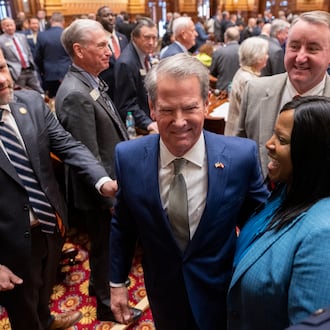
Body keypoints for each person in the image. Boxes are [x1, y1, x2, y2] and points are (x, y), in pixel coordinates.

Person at [109, 53, 269, 330]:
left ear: (206, 104)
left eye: (190, 108)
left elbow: (260, 224)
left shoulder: (240, 156)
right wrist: (117, 283)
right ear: (152, 107)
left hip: (223, 289)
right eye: (168, 110)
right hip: (163, 291)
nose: (179, 121)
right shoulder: (128, 157)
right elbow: (123, 225)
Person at [0, 47, 118, 330]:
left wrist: (101, 181)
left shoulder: (30, 102)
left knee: (43, 289)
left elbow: (68, 145)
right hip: (7, 243)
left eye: (2, 68)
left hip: (51, 224)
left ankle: (47, 319)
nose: (2, 80)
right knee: (22, 308)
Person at [55, 19, 142, 324]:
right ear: (79, 51)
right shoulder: (76, 92)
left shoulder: (89, 81)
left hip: (105, 186)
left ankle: (98, 289)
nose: (110, 51)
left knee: (105, 249)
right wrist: (110, 201)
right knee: (107, 249)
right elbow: (86, 154)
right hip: (97, 194)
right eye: (102, 45)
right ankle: (107, 305)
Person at [228, 95, 330, 330]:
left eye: (282, 139)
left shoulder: (323, 235)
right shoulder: (285, 191)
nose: (269, 144)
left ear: (310, 154)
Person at [237, 11, 330, 178]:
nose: (300, 58)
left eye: (312, 49)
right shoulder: (254, 91)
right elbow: (235, 153)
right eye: (294, 46)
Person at [114, 17, 158, 133]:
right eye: (147, 38)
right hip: (139, 126)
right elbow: (125, 104)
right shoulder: (126, 63)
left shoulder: (144, 54)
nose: (151, 42)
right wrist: (147, 123)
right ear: (134, 37)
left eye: (154, 38)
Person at [225, 37, 268, 136]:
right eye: (265, 54)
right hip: (241, 136)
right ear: (258, 57)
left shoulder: (243, 72)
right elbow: (255, 116)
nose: (267, 56)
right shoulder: (249, 81)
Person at [0, 18, 43, 94]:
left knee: (39, 91)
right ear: (2, 27)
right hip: (17, 73)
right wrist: (10, 71)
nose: (10, 27)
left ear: (15, 26)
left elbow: (28, 51)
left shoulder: (22, 36)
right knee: (21, 94)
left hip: (30, 70)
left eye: (11, 25)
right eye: (7, 25)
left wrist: (32, 64)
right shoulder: (1, 40)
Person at [35, 12, 71, 99]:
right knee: (69, 97)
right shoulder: (68, 34)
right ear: (63, 21)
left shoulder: (41, 35)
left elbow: (37, 57)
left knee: (53, 99)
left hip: (49, 73)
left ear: (51, 21)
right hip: (68, 71)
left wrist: (42, 70)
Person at [96, 5, 128, 101]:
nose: (110, 18)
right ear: (98, 19)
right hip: (107, 89)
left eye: (112, 15)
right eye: (106, 16)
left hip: (125, 89)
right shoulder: (97, 40)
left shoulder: (123, 38)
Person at [210, 26, 240, 94]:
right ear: (238, 38)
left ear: (226, 38)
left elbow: (212, 73)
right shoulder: (244, 51)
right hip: (241, 90)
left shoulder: (218, 52)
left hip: (223, 92)